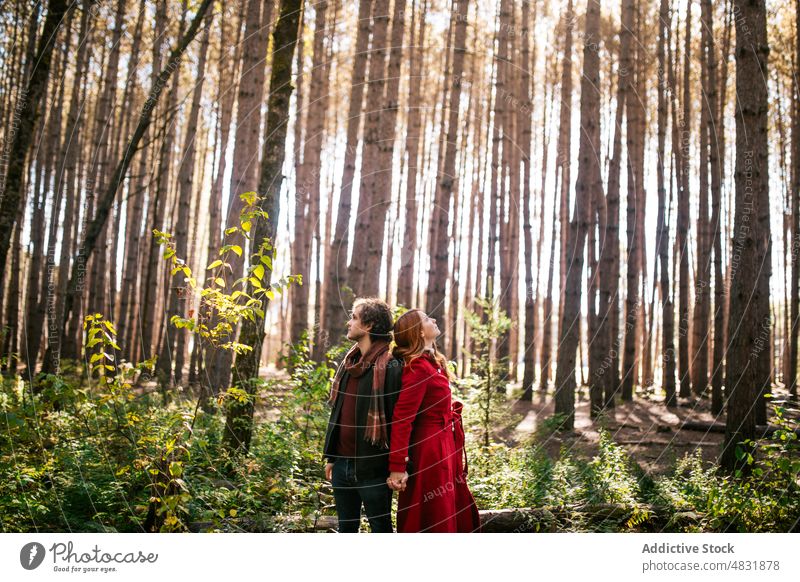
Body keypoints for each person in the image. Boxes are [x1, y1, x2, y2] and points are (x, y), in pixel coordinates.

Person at [387, 309, 480, 532]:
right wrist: (397, 467)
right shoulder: (418, 367)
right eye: (427, 319)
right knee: (433, 510)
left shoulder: (431, 363)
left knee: (447, 505)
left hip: (444, 444)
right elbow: (402, 418)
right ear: (419, 332)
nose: (434, 319)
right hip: (429, 451)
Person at [322, 297, 403, 532]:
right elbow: (339, 412)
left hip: (374, 470)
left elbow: (399, 421)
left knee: (381, 528)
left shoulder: (391, 367)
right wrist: (332, 456)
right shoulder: (349, 363)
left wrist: (398, 466)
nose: (349, 322)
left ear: (368, 326)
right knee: (346, 528)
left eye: (354, 317)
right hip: (341, 465)